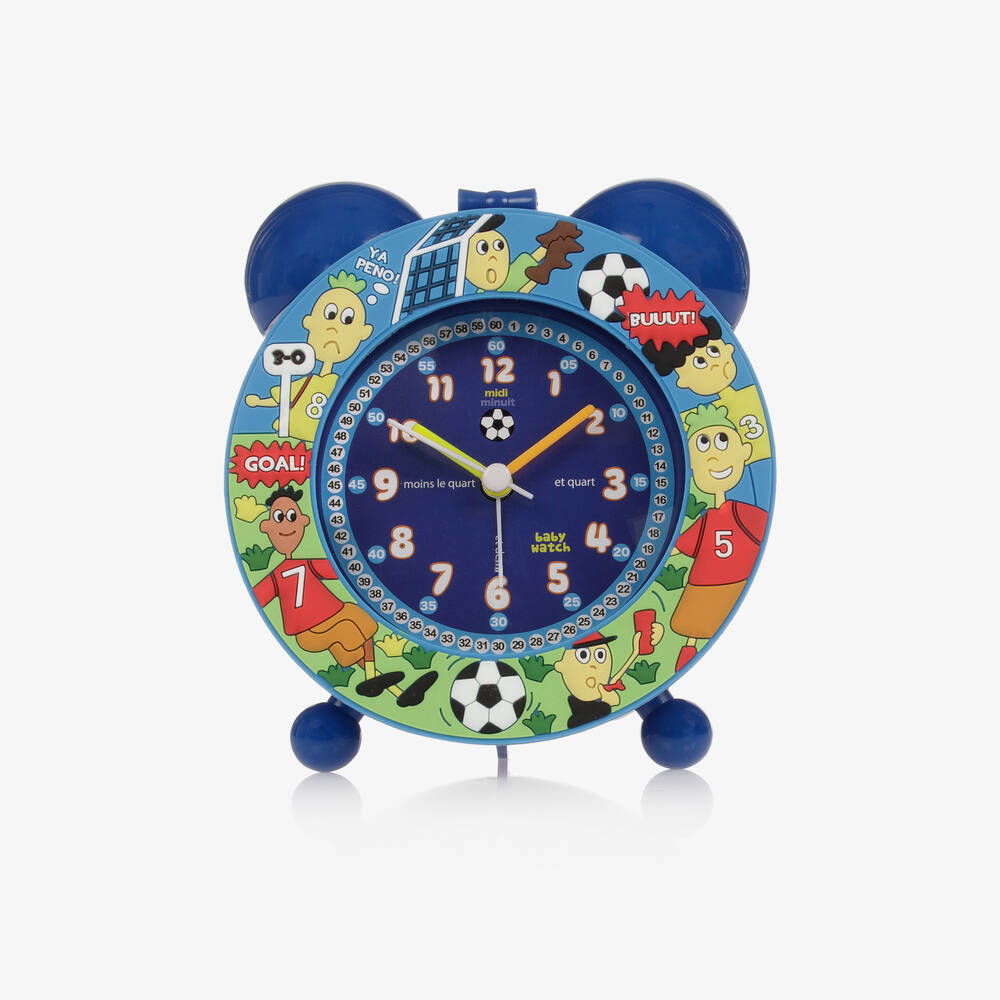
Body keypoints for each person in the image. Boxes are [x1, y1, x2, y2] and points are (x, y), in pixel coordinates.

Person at [252, 485, 436, 705]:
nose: (286, 525)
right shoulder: (277, 575)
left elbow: (341, 567)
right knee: (351, 628)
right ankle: (372, 679)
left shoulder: (309, 564)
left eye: (292, 517)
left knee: (362, 621)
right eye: (279, 518)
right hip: (308, 631)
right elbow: (259, 596)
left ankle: (394, 690)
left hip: (335, 614)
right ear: (265, 526)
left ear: (303, 520)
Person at [670, 404, 768, 672]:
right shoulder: (709, 519)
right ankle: (686, 651)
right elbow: (680, 546)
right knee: (690, 625)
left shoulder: (743, 513)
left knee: (695, 625)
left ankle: (687, 651)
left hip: (732, 585)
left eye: (722, 441)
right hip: (704, 586)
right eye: (703, 445)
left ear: (744, 451)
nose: (713, 457)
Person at [245, 270, 374, 442]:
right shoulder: (309, 381)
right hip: (300, 441)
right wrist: (258, 402)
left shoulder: (343, 384)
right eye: (330, 315)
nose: (333, 328)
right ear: (308, 321)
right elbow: (283, 397)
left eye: (348, 320)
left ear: (364, 332)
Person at [553, 622, 664, 729]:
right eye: (583, 655)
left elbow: (616, 678)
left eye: (600, 655)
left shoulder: (603, 688)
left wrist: (636, 652)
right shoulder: (578, 715)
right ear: (559, 666)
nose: (593, 666)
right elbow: (576, 721)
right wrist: (606, 703)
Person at [464, 215, 582, 293]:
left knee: (527, 266)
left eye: (499, 245)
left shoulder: (513, 271)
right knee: (531, 273)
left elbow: (535, 258)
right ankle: (549, 263)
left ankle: (553, 242)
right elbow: (525, 291)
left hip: (514, 279)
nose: (493, 257)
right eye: (483, 248)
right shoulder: (481, 291)